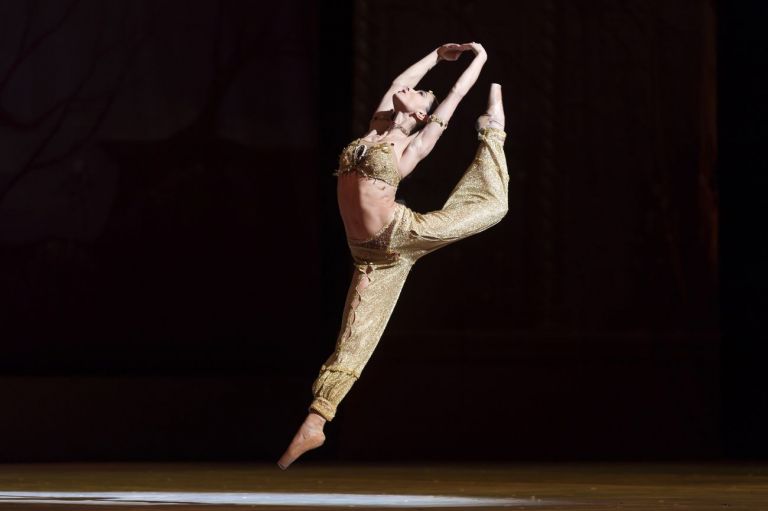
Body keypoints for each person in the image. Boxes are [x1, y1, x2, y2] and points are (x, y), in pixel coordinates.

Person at [278, 42, 508, 469]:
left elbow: (453, 96)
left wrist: (478, 59)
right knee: (356, 333)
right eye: (419, 91)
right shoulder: (379, 124)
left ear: (422, 115)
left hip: (401, 234)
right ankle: (316, 422)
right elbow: (400, 82)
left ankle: (493, 131)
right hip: (369, 253)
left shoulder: (411, 146)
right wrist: (439, 55)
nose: (418, 90)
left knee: (493, 207)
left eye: (423, 95)